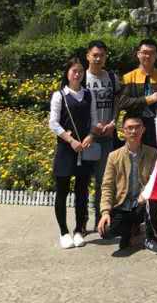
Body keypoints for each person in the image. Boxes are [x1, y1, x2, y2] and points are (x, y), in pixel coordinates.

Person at [117, 38, 157, 234]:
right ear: (138, 54)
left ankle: (154, 220)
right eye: (144, 52)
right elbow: (123, 102)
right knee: (133, 176)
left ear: (156, 55)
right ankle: (133, 221)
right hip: (135, 134)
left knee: (155, 176)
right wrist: (147, 99)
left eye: (151, 52)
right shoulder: (128, 78)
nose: (147, 56)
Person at [97, 115, 157, 256]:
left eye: (137, 127)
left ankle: (150, 238)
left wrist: (145, 193)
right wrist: (105, 212)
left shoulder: (152, 153)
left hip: (143, 204)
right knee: (106, 230)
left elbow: (156, 181)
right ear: (123, 130)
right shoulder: (114, 156)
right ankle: (128, 232)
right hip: (123, 205)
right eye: (129, 128)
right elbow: (107, 186)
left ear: (143, 129)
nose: (133, 131)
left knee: (153, 199)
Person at [48, 53, 97, 249]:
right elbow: (53, 123)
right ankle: (64, 232)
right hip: (66, 150)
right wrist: (70, 140)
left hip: (84, 149)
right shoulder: (59, 95)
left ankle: (78, 230)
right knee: (62, 191)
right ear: (67, 73)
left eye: (80, 71)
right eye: (74, 71)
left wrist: (91, 135)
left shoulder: (88, 94)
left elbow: (94, 120)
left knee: (82, 192)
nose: (77, 74)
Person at [84, 39, 121, 233]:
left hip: (107, 136)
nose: (98, 59)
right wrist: (92, 128)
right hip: (87, 137)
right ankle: (81, 222)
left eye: (102, 55)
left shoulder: (112, 78)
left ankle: (101, 222)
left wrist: (114, 122)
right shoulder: (82, 78)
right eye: (95, 55)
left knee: (103, 180)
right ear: (88, 56)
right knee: (83, 181)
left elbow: (117, 102)